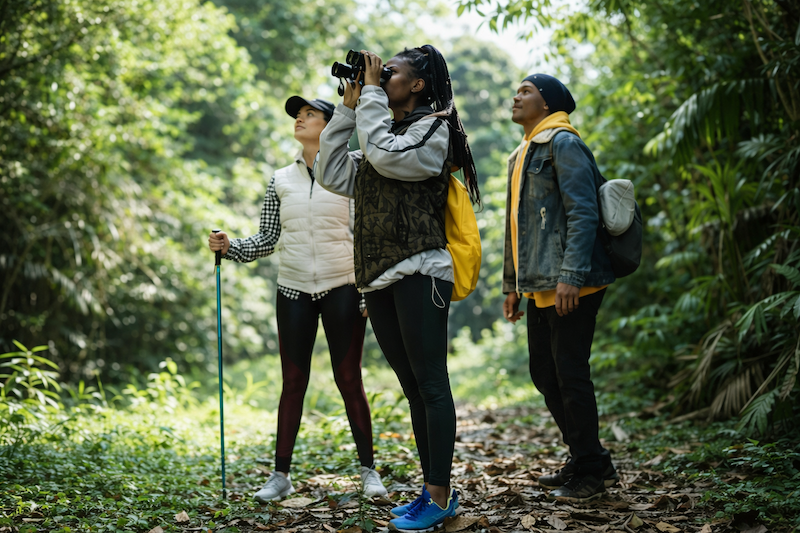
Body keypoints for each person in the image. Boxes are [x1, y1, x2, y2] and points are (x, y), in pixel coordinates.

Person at [316, 45, 480, 531]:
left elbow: (388, 158)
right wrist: (349, 109)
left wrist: (368, 98)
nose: (379, 80)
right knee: (412, 389)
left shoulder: (434, 127)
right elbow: (331, 171)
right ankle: (432, 492)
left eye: (390, 74)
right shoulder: (378, 130)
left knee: (430, 383)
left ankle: (439, 495)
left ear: (417, 86)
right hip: (380, 276)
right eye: (378, 74)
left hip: (421, 270)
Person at [207, 95, 387, 503]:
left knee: (349, 380)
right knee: (292, 382)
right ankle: (280, 476)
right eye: (297, 116)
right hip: (292, 289)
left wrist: (367, 290)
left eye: (309, 115)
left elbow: (368, 234)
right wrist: (230, 245)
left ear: (332, 124)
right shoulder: (280, 179)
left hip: (343, 285)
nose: (300, 120)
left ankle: (368, 472)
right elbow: (268, 238)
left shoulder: (356, 169)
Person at [502, 73, 620, 503]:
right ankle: (591, 458)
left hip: (574, 283)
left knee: (570, 374)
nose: (517, 96)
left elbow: (584, 211)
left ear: (548, 104)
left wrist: (571, 275)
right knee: (544, 373)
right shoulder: (522, 153)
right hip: (538, 285)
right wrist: (511, 285)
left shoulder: (563, 143)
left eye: (527, 91)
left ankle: (590, 472)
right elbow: (516, 227)